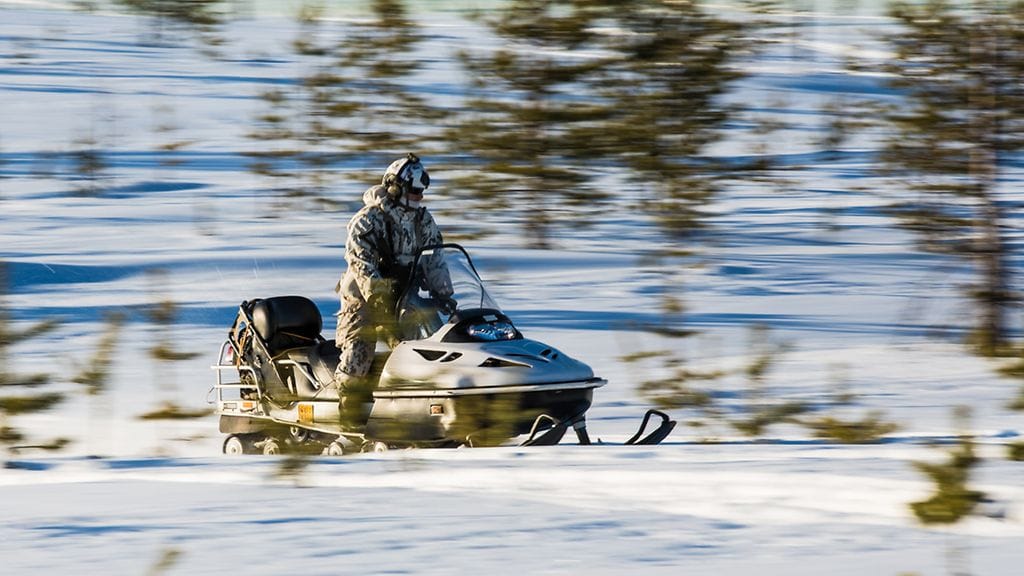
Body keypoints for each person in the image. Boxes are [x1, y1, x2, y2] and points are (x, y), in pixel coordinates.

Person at [333, 153, 454, 427]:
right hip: (363, 301)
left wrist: (445, 295)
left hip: (406, 299)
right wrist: (378, 299)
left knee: (430, 349)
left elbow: (435, 258)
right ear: (394, 187)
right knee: (359, 353)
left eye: (422, 191)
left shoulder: (423, 221)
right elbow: (361, 263)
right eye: (414, 191)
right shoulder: (367, 221)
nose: (419, 197)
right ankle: (348, 416)